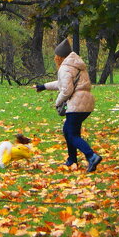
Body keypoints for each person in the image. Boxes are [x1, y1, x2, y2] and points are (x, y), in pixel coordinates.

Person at [35, 39, 102, 172]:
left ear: (60, 57)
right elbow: (62, 83)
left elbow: (66, 90)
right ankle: (72, 160)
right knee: (70, 131)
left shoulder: (65, 68)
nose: (55, 58)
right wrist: (43, 87)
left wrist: (58, 102)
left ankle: (91, 156)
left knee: (71, 134)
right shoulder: (76, 65)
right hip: (86, 102)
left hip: (76, 104)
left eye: (56, 56)